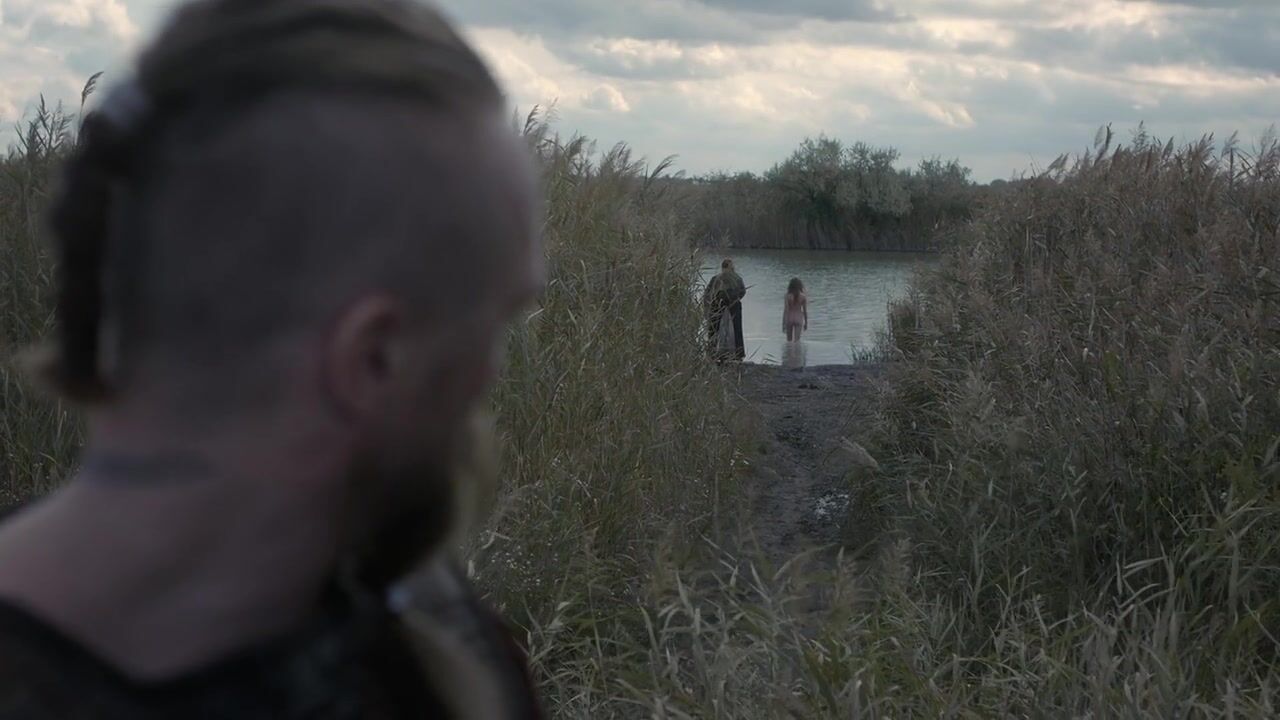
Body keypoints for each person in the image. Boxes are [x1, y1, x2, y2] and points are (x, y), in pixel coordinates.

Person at [0, 1, 545, 717]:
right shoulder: (435, 668)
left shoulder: (434, 644)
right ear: (375, 359)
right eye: (497, 323)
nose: (491, 377)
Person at [702, 258, 747, 361]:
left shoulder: (716, 278)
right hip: (732, 304)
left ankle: (712, 352)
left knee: (713, 328)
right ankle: (739, 354)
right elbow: (743, 291)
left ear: (722, 267)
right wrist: (737, 299)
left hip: (719, 303)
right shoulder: (737, 278)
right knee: (737, 328)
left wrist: (707, 305)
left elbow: (707, 293)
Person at [783, 277, 808, 342]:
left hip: (789, 318)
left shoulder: (787, 296)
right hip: (798, 318)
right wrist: (806, 323)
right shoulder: (803, 296)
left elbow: (786, 310)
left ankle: (789, 349)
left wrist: (783, 324)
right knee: (797, 341)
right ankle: (797, 349)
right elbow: (805, 311)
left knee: (789, 341)